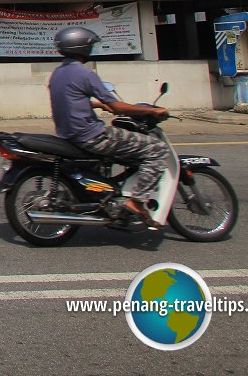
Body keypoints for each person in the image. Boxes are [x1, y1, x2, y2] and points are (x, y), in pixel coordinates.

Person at [47, 26, 170, 226]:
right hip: (92, 136)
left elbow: (70, 100)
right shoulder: (85, 74)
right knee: (158, 149)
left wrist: (95, 103)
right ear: (83, 48)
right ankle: (136, 201)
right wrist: (151, 111)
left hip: (69, 134)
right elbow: (117, 107)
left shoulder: (58, 74)